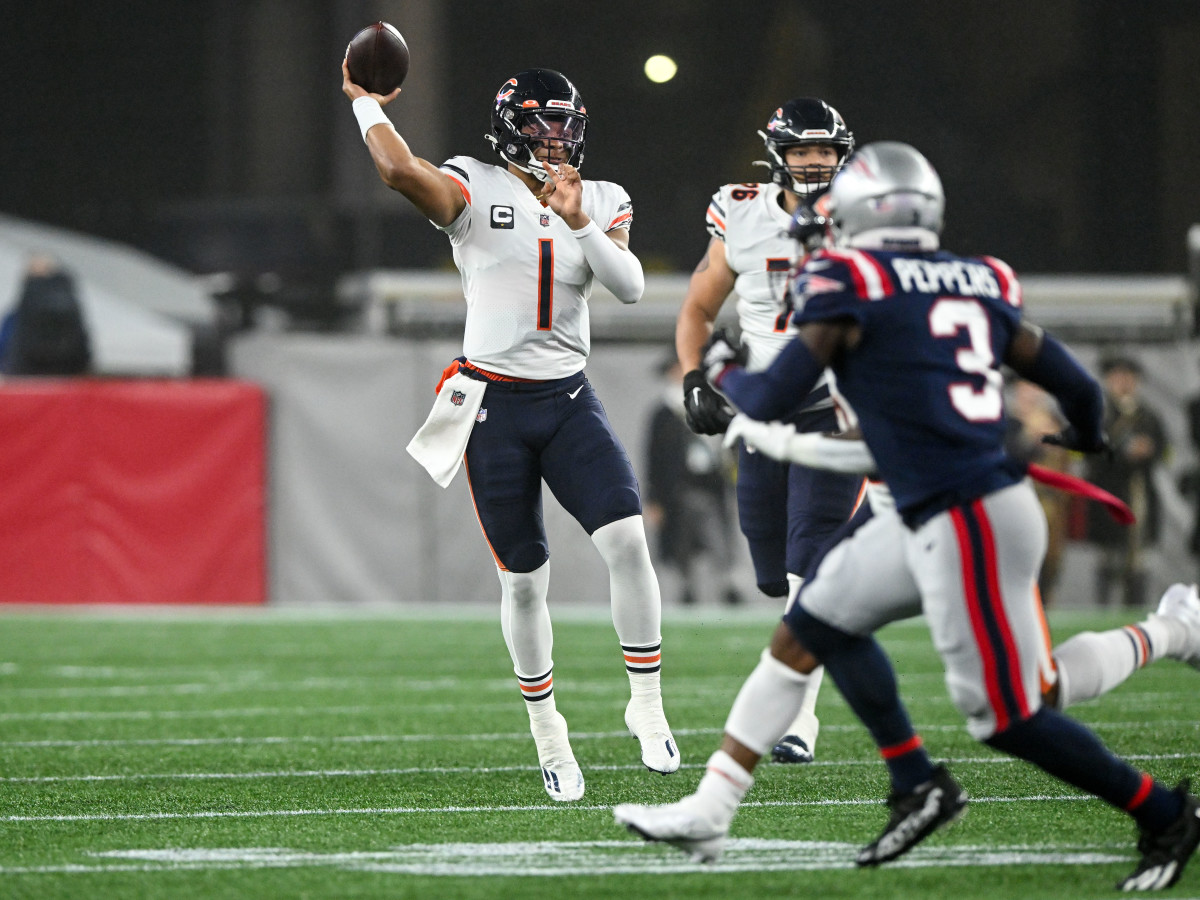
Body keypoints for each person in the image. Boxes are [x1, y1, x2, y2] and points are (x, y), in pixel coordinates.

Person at [615, 142, 1200, 891]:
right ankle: (720, 806)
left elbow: (766, 396)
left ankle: (1162, 809)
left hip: (967, 517)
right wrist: (1085, 436)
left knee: (1015, 713)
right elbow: (1079, 392)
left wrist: (722, 365)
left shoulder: (849, 280)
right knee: (810, 627)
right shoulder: (978, 277)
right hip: (934, 504)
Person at [342, 62, 678, 802]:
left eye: (565, 126)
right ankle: (547, 729)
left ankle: (647, 703)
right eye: (541, 125)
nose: (556, 141)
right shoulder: (472, 184)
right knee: (525, 581)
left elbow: (626, 287)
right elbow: (399, 171)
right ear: (508, 129)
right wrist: (366, 102)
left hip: (567, 399)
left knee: (627, 540)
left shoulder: (602, 196)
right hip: (494, 408)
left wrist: (579, 217)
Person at [674, 98, 865, 764]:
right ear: (777, 154)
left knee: (808, 554)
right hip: (760, 405)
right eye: (802, 151)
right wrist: (695, 375)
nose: (814, 162)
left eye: (825, 152)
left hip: (834, 405)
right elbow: (700, 303)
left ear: (842, 155)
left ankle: (798, 718)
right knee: (772, 571)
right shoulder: (742, 209)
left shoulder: (865, 215)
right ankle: (804, 660)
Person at [643, 357, 743, 606]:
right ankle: (686, 588)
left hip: (710, 487)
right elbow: (653, 459)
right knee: (680, 545)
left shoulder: (710, 405)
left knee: (719, 539)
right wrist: (653, 498)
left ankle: (728, 585)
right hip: (677, 490)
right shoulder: (663, 413)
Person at [1085, 356, 1168, 607]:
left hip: (1139, 493)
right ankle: (1104, 613)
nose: (1124, 382)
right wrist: (1123, 454)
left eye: (1129, 377)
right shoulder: (1099, 414)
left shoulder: (1149, 415)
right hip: (1109, 495)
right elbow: (1092, 453)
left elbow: (1163, 450)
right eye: (1118, 377)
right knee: (1108, 560)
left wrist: (1148, 451)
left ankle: (1135, 614)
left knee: (1139, 562)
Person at [1003, 380, 1072, 605]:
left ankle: (1044, 603)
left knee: (1050, 560)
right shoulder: (1006, 423)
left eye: (1036, 387)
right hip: (1015, 500)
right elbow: (1011, 454)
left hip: (1051, 502)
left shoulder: (1055, 422)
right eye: (1026, 387)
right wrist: (1032, 438)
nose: (1031, 394)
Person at [0, 254, 91, 376]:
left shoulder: (18, 316)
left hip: (27, 380)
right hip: (67, 381)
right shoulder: (69, 307)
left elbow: (6, 349)